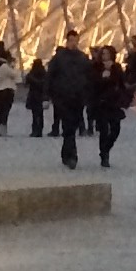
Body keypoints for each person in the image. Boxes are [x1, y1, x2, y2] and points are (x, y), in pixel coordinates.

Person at [47, 32, 96, 169]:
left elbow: (89, 77)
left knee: (71, 126)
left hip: (78, 97)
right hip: (63, 97)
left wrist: (88, 94)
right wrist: (49, 95)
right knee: (69, 125)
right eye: (71, 40)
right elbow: (50, 76)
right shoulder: (59, 58)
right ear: (67, 41)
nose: (73, 43)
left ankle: (66, 153)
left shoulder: (83, 58)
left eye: (75, 40)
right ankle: (72, 156)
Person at [91, 47, 128, 169]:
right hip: (101, 103)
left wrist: (124, 98)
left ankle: (106, 148)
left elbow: (122, 83)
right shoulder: (97, 67)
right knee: (103, 130)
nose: (104, 56)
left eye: (107, 54)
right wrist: (103, 77)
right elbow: (94, 84)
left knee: (115, 129)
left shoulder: (116, 68)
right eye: (103, 54)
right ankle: (104, 155)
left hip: (114, 103)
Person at [23, 55, 48, 137]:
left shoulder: (31, 74)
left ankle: (35, 130)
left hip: (33, 95)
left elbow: (26, 83)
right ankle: (40, 130)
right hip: (41, 95)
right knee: (40, 114)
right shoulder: (44, 73)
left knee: (35, 114)